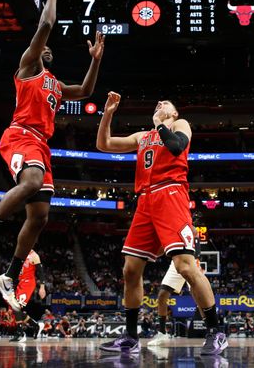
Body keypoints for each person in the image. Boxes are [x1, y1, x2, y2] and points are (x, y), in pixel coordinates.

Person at [0, 0, 105, 310]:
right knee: (30, 184)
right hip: (21, 135)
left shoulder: (55, 84)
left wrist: (95, 61)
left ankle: (9, 275)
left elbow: (85, 90)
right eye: (45, 48)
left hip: (42, 145)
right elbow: (45, 26)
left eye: (51, 50)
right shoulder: (28, 67)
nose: (49, 50)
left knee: (40, 217)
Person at [95, 93, 227, 356]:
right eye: (157, 104)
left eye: (165, 104)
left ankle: (216, 331)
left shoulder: (181, 125)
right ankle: (131, 337)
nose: (160, 104)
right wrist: (108, 114)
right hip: (145, 200)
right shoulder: (143, 136)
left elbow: (177, 146)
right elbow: (104, 144)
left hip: (171, 193)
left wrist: (159, 124)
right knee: (130, 270)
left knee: (186, 267)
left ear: (174, 113)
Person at [148, 214, 205, 346]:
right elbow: (162, 250)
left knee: (199, 298)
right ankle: (162, 334)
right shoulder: (167, 227)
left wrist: (196, 260)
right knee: (162, 296)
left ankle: (212, 333)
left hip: (191, 261)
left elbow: (195, 235)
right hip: (176, 262)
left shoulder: (189, 227)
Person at [10, 250, 47, 342]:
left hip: (28, 283)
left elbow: (41, 272)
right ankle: (35, 325)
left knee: (17, 307)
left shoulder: (34, 255)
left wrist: (42, 287)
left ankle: (20, 333)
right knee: (14, 309)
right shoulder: (20, 253)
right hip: (20, 283)